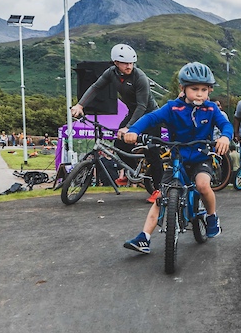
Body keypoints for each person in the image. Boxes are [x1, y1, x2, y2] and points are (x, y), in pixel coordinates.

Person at [120, 62, 232, 253]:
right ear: (183, 88)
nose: (199, 94)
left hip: (200, 157)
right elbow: (150, 118)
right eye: (194, 89)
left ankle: (212, 216)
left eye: (204, 90)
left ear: (209, 91)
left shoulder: (211, 109)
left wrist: (224, 137)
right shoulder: (172, 108)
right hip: (177, 158)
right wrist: (134, 130)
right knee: (162, 196)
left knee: (203, 185)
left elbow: (225, 125)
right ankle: (144, 237)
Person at [72, 44, 163, 201]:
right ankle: (132, 172)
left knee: (151, 152)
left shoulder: (139, 77)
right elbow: (95, 88)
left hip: (151, 116)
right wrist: (80, 105)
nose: (129, 66)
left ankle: (160, 189)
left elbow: (142, 106)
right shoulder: (111, 73)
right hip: (133, 113)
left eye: (131, 63)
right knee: (119, 144)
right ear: (116, 63)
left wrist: (128, 127)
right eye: (125, 63)